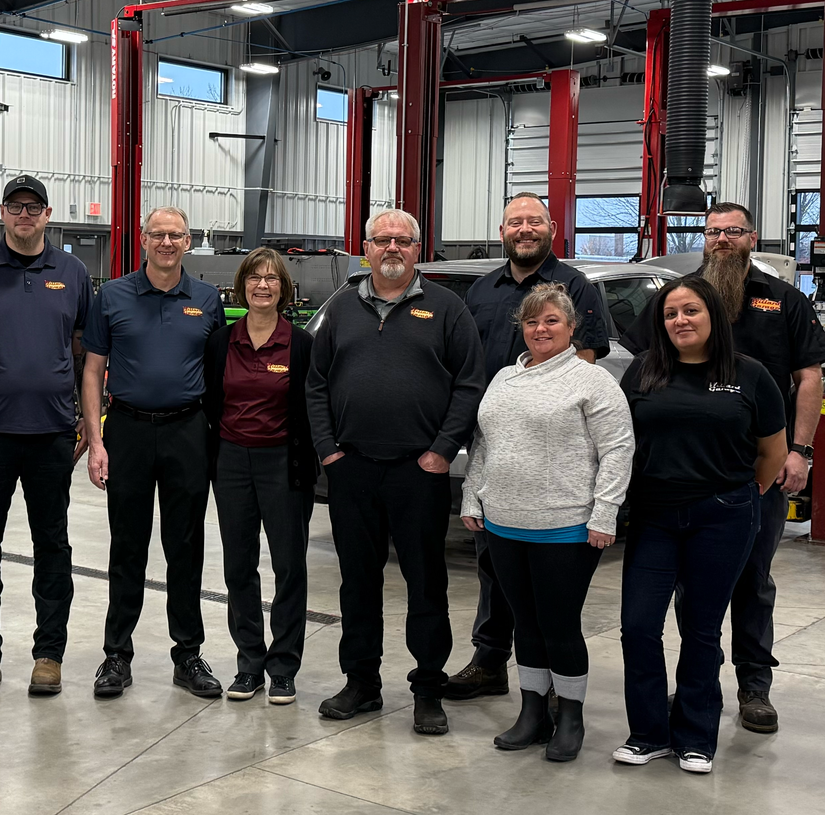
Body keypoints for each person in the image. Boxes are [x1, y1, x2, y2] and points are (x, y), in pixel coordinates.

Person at [619, 201, 825, 734]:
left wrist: (799, 453)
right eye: (713, 231)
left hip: (757, 469)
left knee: (752, 580)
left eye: (732, 232)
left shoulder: (783, 300)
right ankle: (699, 686)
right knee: (695, 593)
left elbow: (811, 378)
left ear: (751, 238)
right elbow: (637, 367)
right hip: (676, 482)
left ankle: (754, 684)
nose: (721, 240)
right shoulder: (674, 298)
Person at [307, 208, 486, 735]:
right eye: (381, 240)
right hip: (353, 468)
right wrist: (327, 450)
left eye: (402, 241)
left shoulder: (448, 308)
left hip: (419, 471)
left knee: (426, 582)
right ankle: (361, 682)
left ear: (416, 249)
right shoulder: (341, 308)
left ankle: (428, 688)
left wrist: (441, 451)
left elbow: (469, 384)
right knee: (357, 582)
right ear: (366, 248)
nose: (392, 249)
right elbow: (316, 385)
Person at [614, 275, 788, 774]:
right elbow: (621, 440)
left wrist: (738, 494)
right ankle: (648, 733)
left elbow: (772, 453)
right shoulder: (644, 371)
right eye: (670, 314)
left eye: (690, 311)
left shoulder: (750, 375)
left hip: (723, 516)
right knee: (638, 626)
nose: (679, 321)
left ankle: (695, 736)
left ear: (712, 315)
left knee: (702, 630)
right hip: (653, 517)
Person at [459, 282, 633, 762]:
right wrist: (473, 498)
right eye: (533, 322)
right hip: (504, 525)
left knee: (559, 625)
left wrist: (605, 514)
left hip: (566, 528)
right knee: (526, 626)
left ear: (573, 329)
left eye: (552, 320)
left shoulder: (592, 381)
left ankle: (570, 714)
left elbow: (617, 451)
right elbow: (484, 443)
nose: (541, 329)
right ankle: (532, 711)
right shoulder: (503, 379)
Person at [451, 192, 613, 701]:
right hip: (494, 446)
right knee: (494, 565)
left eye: (534, 221)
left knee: (546, 589)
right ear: (502, 232)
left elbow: (583, 363)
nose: (525, 229)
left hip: (550, 455)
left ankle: (548, 683)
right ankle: (491, 659)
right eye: (515, 222)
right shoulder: (479, 290)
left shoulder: (576, 286)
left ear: (552, 227)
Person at [0, 175, 92, 697]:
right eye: (14, 206)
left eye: (34, 207)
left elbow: (83, 353)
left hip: (51, 433)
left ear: (48, 215)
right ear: (1, 213)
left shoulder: (72, 272)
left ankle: (48, 654)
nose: (24, 215)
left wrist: (86, 421)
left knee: (53, 544)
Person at [83, 205, 225, 700]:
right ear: (142, 239)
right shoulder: (113, 295)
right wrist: (96, 441)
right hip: (128, 430)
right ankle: (116, 656)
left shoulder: (206, 299)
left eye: (176, 235)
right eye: (158, 234)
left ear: (188, 242)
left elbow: (218, 374)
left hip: (188, 430)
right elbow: (92, 370)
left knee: (185, 547)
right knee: (128, 546)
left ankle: (187, 654)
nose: (167, 242)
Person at [202, 248, 317, 705]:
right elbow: (211, 402)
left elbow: (310, 410)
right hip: (231, 463)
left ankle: (284, 666)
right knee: (238, 567)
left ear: (283, 289)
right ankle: (249, 663)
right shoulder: (220, 342)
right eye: (254, 278)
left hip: (283, 465)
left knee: (289, 567)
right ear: (242, 285)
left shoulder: (302, 344)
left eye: (272, 278)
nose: (263, 285)